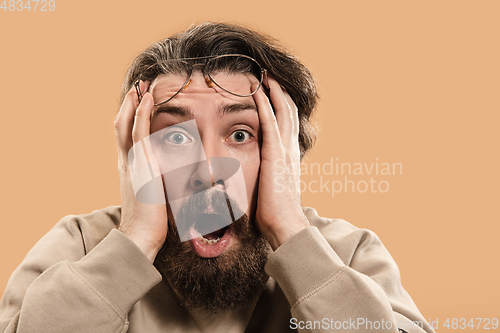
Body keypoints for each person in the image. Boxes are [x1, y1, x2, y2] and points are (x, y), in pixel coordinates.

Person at [0, 22, 435, 333]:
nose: (208, 170)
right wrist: (134, 243)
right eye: (174, 138)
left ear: (285, 153)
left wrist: (291, 232)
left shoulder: (347, 254)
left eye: (241, 134)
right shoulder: (79, 246)